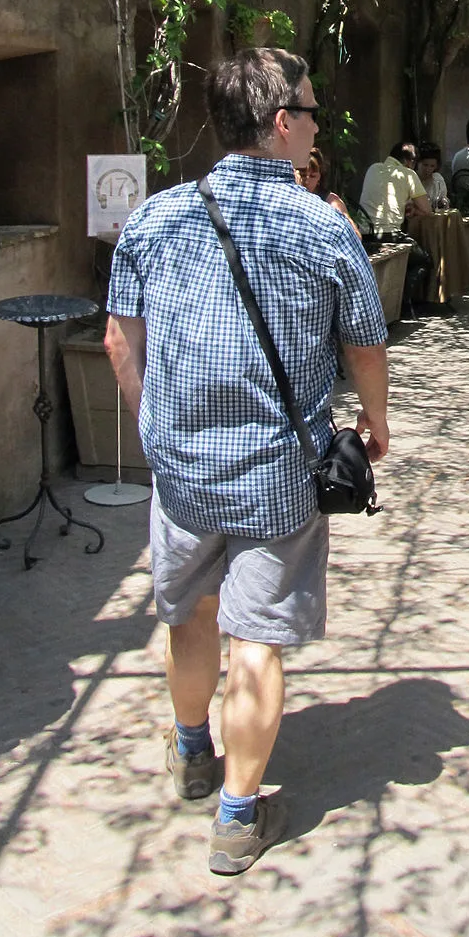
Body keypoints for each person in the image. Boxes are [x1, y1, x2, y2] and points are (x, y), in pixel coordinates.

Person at [104, 48, 390, 876]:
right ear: (281, 122)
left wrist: (155, 431)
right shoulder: (323, 226)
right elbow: (364, 343)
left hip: (182, 474)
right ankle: (237, 816)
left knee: (189, 614)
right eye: (311, 112)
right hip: (279, 474)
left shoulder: (154, 218)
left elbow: (120, 339)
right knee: (256, 639)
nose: (316, 126)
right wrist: (375, 421)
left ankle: (194, 749)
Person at [360, 140, 431, 234]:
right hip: (389, 233)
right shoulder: (409, 174)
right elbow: (426, 210)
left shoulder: (373, 168)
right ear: (409, 161)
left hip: (363, 232)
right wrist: (414, 211)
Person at [299, 148, 357, 230]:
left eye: (313, 176)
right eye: (303, 175)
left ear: (319, 177)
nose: (307, 181)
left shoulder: (331, 200)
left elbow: (353, 232)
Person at [415, 142, 448, 208]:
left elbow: (443, 197)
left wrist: (443, 201)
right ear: (418, 163)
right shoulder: (411, 179)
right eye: (425, 165)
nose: (428, 169)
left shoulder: (437, 179)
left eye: (432, 166)